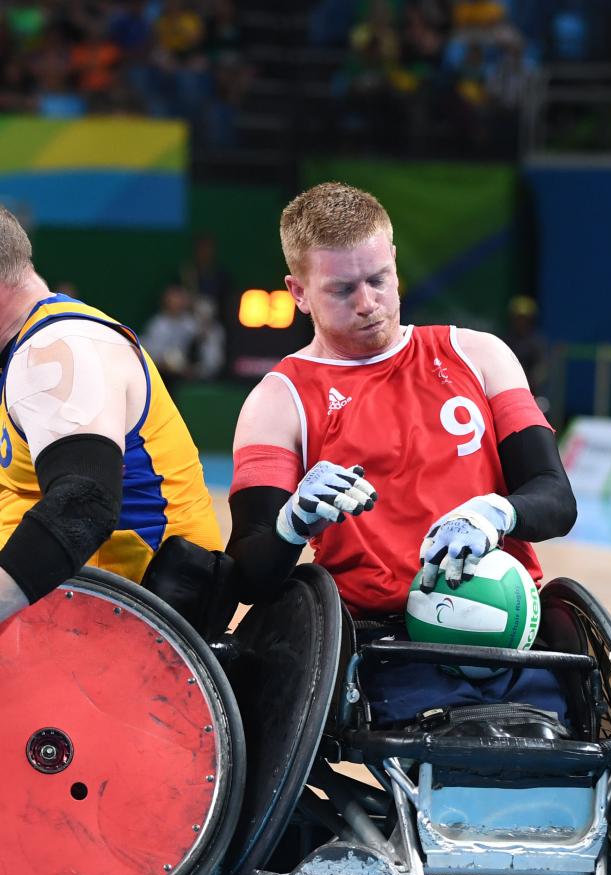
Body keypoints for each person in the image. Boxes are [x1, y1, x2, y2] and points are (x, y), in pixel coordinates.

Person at [226, 182, 577, 724]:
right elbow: (249, 573)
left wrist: (495, 511)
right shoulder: (278, 400)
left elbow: (556, 498)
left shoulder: (478, 354)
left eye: (378, 280)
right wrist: (290, 524)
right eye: (342, 290)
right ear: (297, 292)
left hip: (512, 629)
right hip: (384, 647)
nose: (367, 304)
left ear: (393, 260)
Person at [0, 205, 223, 627]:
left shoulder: (57, 351)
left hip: (131, 636)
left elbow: (83, 506)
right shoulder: (20, 353)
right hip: (78, 619)